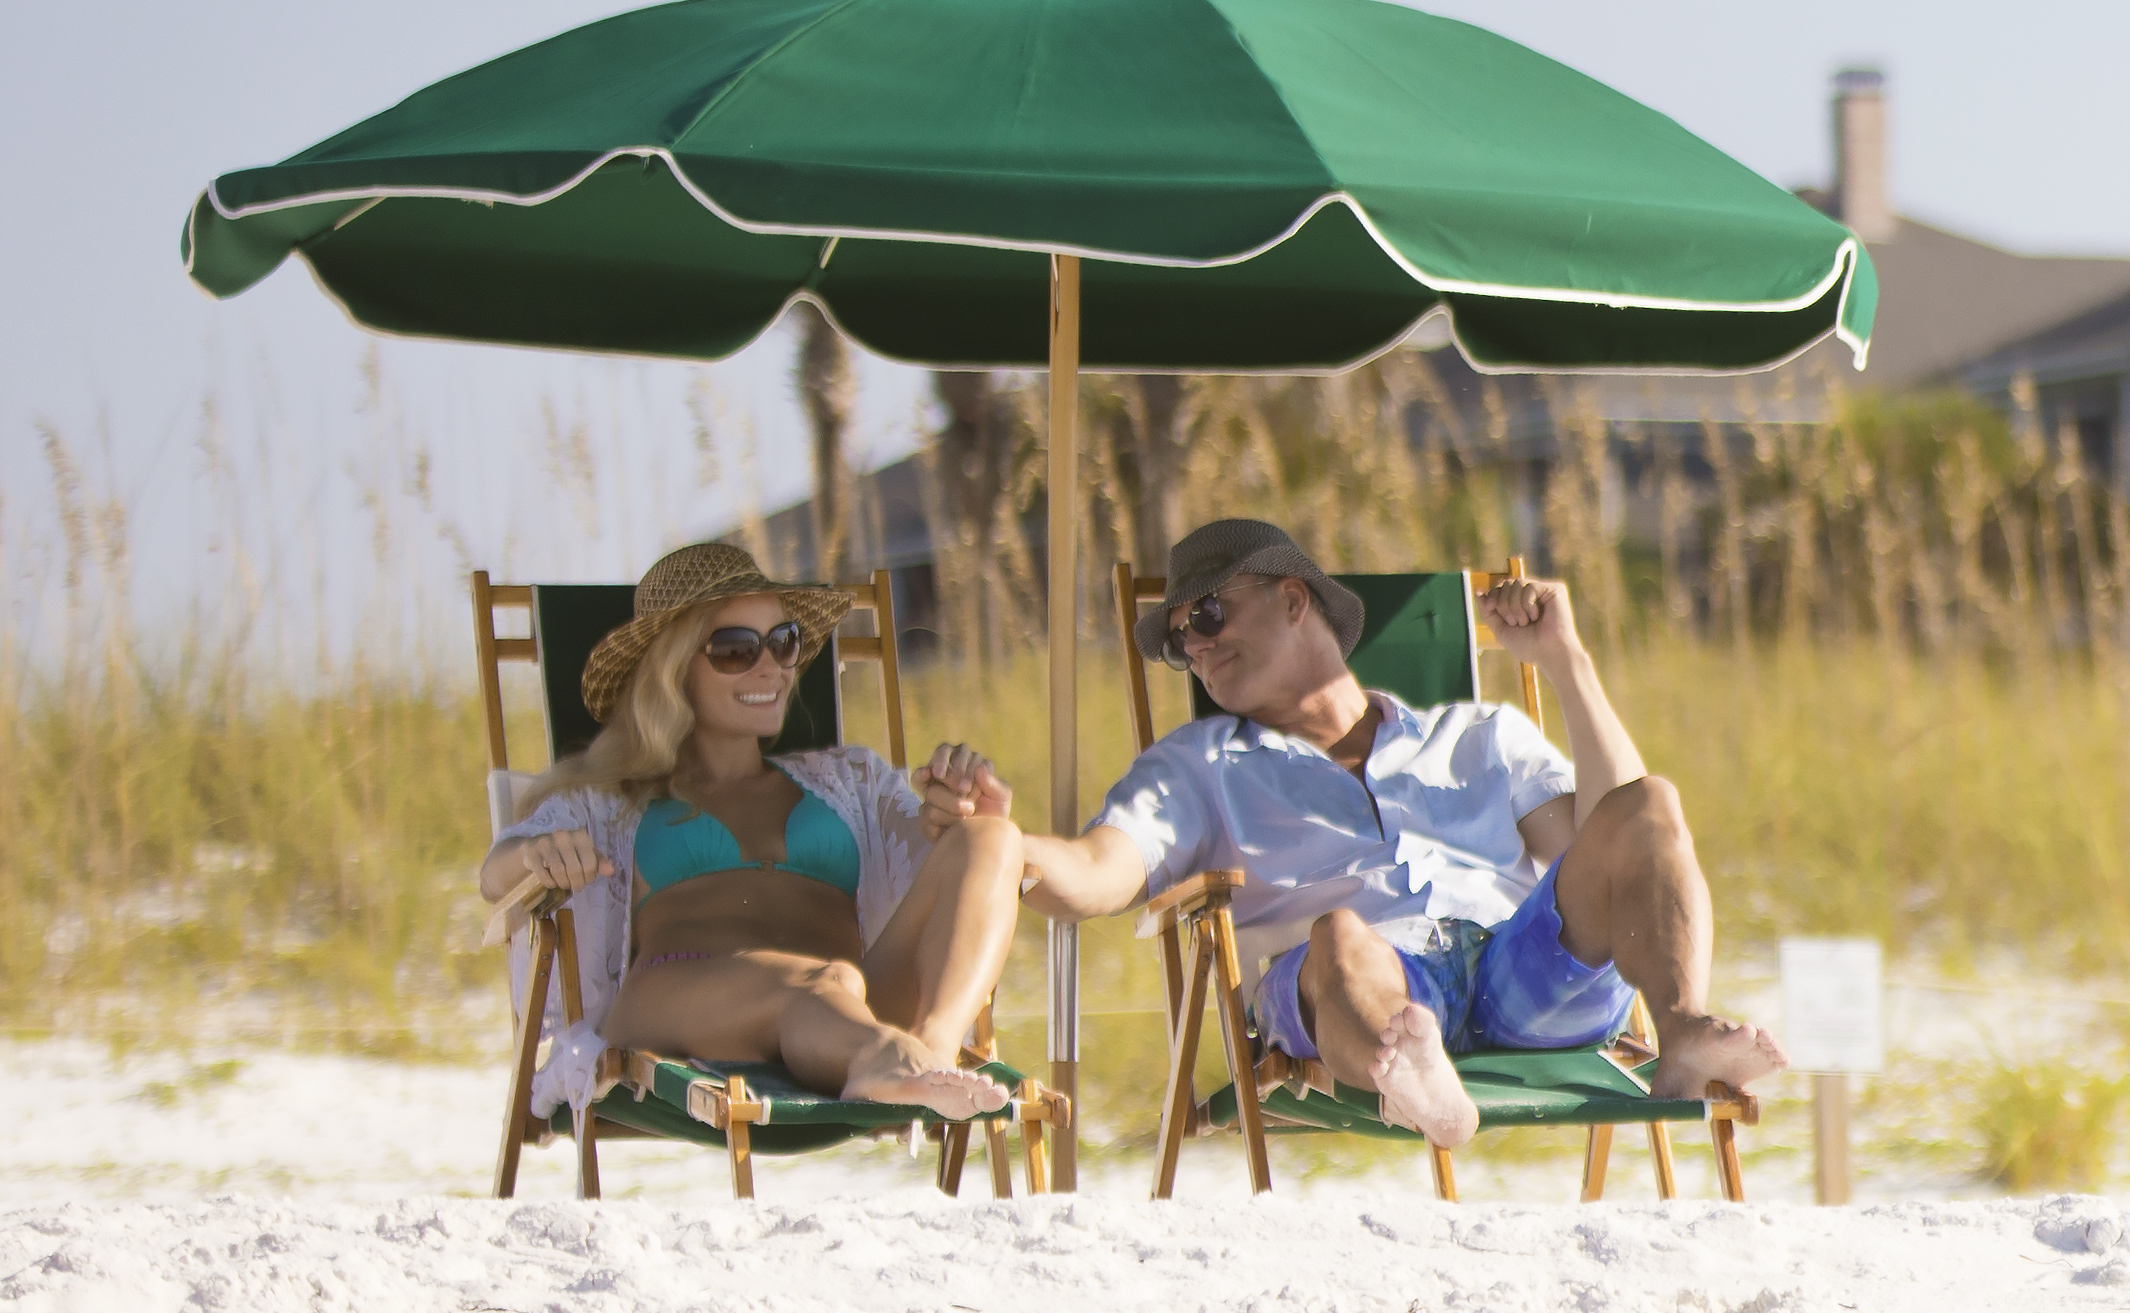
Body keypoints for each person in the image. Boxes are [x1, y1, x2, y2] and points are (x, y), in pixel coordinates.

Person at [1005, 517, 1781, 1154]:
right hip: (1357, 988)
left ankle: (1682, 1030)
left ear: (1292, 598)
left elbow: (1613, 842)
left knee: (1651, 801)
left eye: (1207, 614)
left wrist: (1564, 661)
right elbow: (1101, 868)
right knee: (1338, 936)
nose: (1196, 647)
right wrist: (1012, 851)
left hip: (1520, 970)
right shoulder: (1199, 764)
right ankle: (1415, 1077)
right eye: (1179, 641)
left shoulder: (1478, 734)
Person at [477, 540, 1024, 1126]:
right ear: (673, 670)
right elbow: (493, 877)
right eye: (736, 649)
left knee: (993, 839)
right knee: (820, 982)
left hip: (850, 1001)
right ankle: (887, 1061)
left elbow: (942, 862)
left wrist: (956, 812)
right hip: (680, 998)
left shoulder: (849, 779)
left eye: (783, 642)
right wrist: (535, 854)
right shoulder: (613, 797)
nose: (771, 668)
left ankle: (928, 1052)